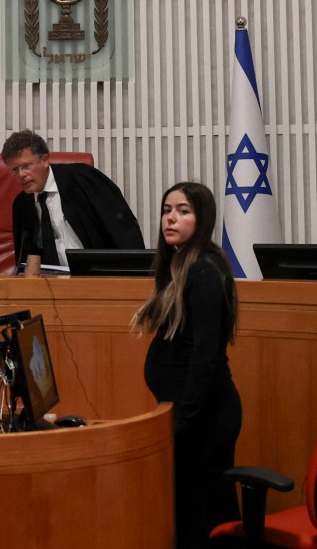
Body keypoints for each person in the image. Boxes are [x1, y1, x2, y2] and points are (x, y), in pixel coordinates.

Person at [131, 182, 242, 547]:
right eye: (167, 210)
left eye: (183, 211)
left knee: (203, 516)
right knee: (192, 512)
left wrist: (183, 420)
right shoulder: (182, 265)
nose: (171, 218)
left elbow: (205, 355)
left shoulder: (204, 271)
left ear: (203, 217)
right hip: (189, 412)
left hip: (203, 416)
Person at [1, 129, 143, 269]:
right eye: (14, 170)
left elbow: (124, 232)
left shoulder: (82, 180)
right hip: (52, 284)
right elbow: (26, 259)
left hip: (99, 278)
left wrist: (135, 274)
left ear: (44, 160)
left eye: (26, 166)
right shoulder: (22, 205)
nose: (21, 175)